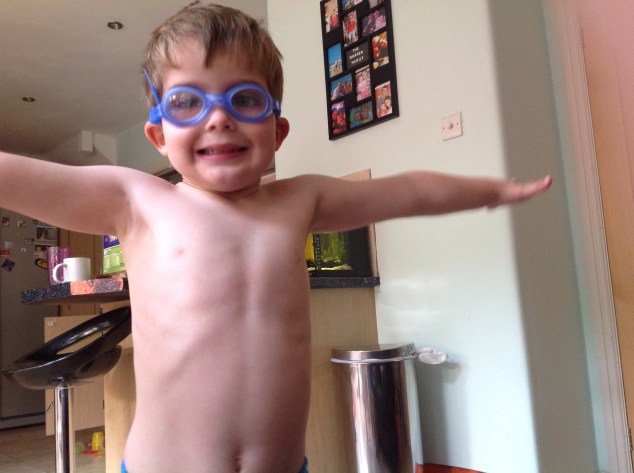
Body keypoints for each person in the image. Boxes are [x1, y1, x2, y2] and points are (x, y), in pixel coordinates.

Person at [0, 3, 552, 473]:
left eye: (244, 99)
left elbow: (407, 192)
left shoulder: (299, 200)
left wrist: (491, 189)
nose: (219, 118)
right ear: (158, 135)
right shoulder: (138, 201)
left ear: (277, 131)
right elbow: (21, 177)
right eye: (188, 102)